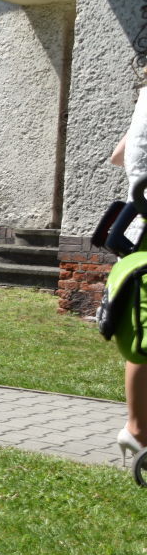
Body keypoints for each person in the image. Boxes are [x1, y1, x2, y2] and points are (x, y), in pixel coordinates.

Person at [110, 69, 147, 464]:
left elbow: (119, 156)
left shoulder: (144, 102)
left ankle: (136, 428)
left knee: (142, 333)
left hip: (138, 233)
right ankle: (137, 430)